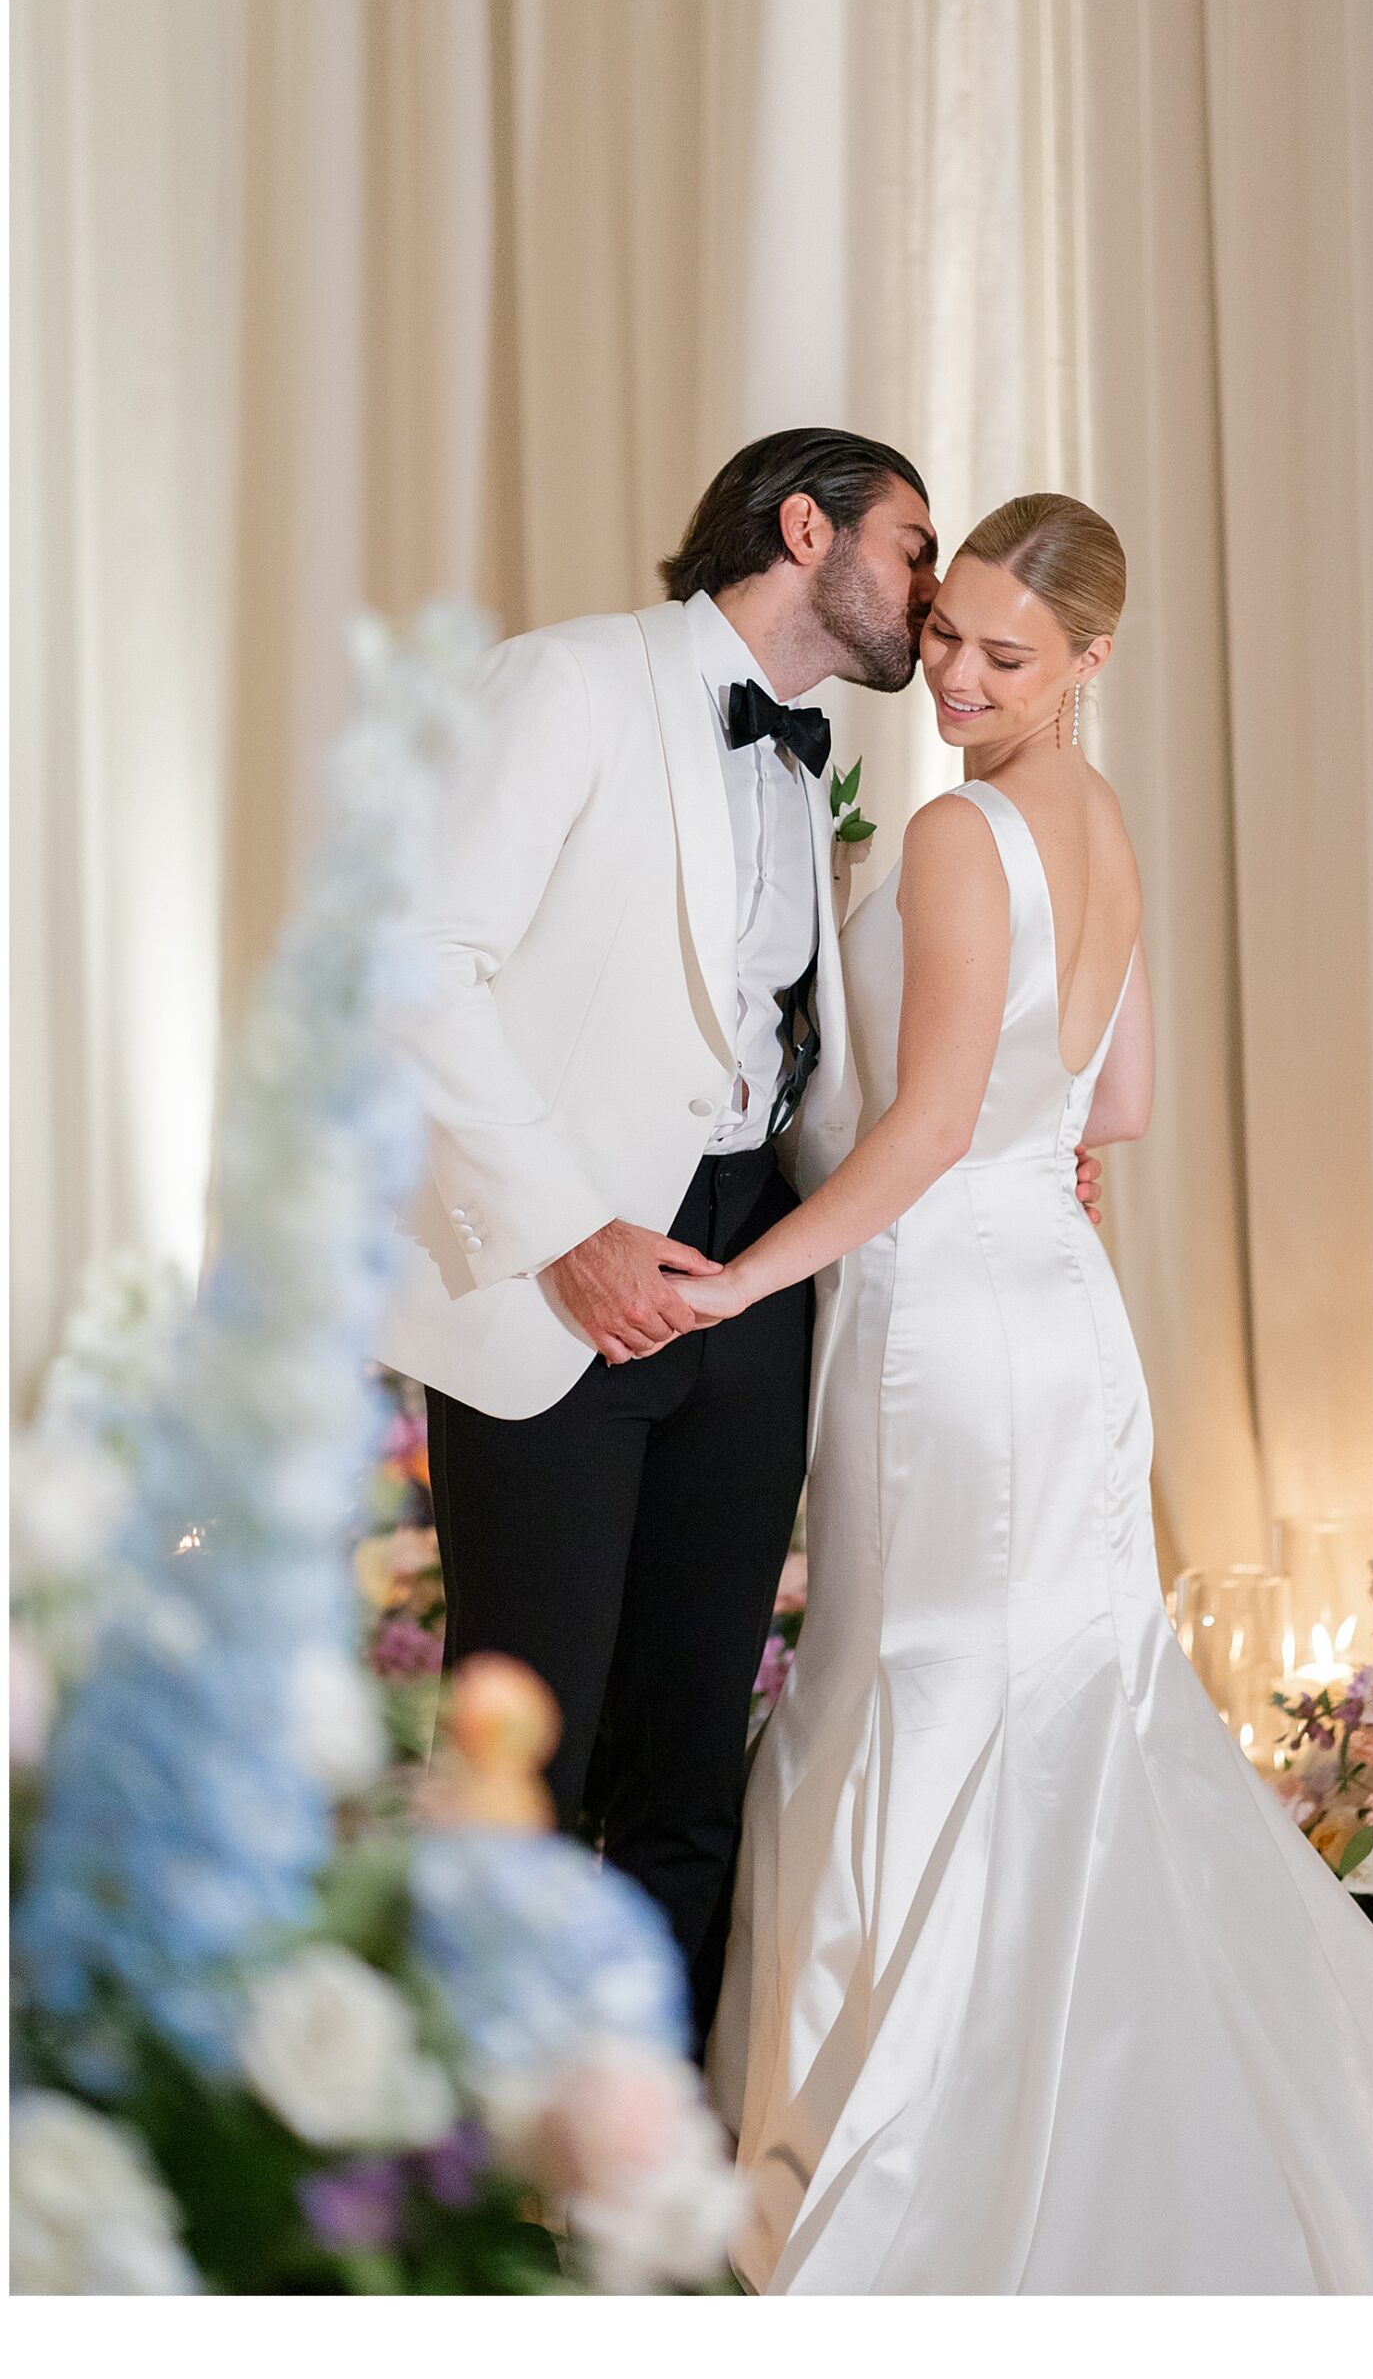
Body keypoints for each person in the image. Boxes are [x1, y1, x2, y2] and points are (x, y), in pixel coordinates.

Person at [668, 492, 1373, 2294]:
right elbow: (1110, 1106)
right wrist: (1020, 1146)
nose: (957, 678)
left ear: (1090, 659)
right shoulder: (1102, 815)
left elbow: (930, 1130)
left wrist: (740, 1274)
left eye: (1005, 656)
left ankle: (933, 2153)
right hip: (1056, 1308)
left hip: (949, 1332)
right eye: (946, 634)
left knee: (930, 1691)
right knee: (1045, 1705)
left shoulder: (962, 831)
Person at [374, 429, 1104, 2058]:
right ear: (806, 531)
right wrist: (569, 1233)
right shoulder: (569, 682)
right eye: (914, 547)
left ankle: (648, 2139)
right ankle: (470, 2149)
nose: (933, 591)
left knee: (695, 1747)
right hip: (562, 1281)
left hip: (755, 1274)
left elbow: (802, 1056)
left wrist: (1010, 1153)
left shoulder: (811, 763)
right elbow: (417, 967)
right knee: (523, 1749)